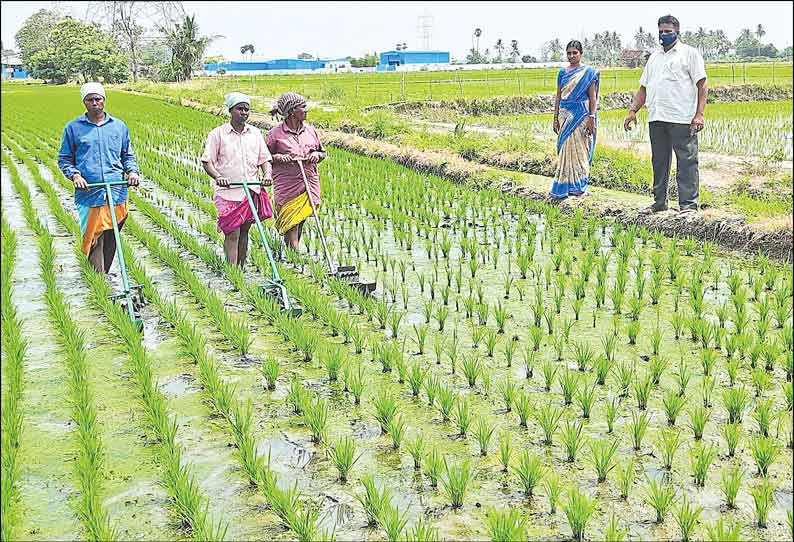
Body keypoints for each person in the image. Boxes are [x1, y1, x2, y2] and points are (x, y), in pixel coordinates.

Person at [624, 14, 708, 214]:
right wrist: (633, 110)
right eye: (661, 31)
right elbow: (643, 88)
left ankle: (688, 206)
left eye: (668, 31)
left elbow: (702, 85)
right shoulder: (654, 57)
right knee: (659, 161)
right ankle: (659, 202)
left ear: (677, 32)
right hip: (657, 117)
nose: (664, 35)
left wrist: (700, 114)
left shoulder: (689, 54)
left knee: (687, 161)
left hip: (682, 118)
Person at [58, 82, 140, 274]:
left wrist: (132, 172)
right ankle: (99, 282)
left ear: (104, 100)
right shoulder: (73, 128)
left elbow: (127, 155)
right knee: (96, 238)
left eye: (98, 99)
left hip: (117, 192)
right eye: (90, 100)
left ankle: (104, 276)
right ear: (84, 103)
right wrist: (75, 175)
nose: (95, 103)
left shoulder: (118, 127)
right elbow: (64, 159)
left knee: (112, 236)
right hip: (90, 192)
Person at [201, 92, 274, 266]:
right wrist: (218, 177)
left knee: (245, 230)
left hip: (251, 190)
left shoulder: (255, 133)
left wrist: (267, 175)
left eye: (246, 110)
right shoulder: (218, 134)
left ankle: (241, 267)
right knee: (232, 232)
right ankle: (232, 270)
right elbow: (207, 161)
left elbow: (265, 159)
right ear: (230, 111)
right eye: (239, 109)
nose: (243, 113)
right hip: (229, 192)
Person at [267, 92, 325, 250]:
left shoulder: (311, 130)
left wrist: (315, 155)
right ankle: (295, 254)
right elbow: (265, 157)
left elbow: (322, 152)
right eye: (303, 107)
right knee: (291, 219)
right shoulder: (275, 134)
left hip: (308, 179)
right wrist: (279, 157)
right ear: (292, 111)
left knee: (301, 218)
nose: (306, 110)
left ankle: (293, 251)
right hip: (288, 183)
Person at [550, 41, 600, 200]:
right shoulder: (562, 73)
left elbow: (593, 97)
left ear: (581, 53)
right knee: (565, 149)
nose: (572, 56)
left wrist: (592, 117)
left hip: (581, 116)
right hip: (565, 115)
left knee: (580, 151)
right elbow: (558, 95)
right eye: (569, 53)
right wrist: (555, 117)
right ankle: (564, 185)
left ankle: (579, 186)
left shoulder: (588, 72)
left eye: (575, 53)